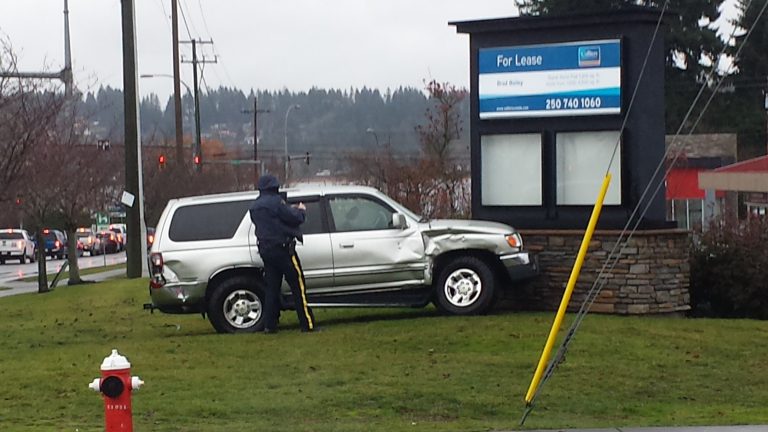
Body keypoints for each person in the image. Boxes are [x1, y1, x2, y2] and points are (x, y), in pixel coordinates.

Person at [249, 174, 316, 334]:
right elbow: (294, 218)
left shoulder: (255, 206)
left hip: (266, 250)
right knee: (298, 286)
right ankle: (307, 324)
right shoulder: (277, 203)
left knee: (272, 289)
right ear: (275, 187)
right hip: (283, 249)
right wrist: (301, 211)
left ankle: (269, 325)